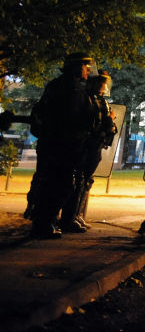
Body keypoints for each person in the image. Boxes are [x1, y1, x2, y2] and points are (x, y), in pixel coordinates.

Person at [28, 52, 96, 238]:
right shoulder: (70, 89)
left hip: (56, 144)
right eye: (85, 66)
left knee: (55, 183)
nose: (88, 70)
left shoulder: (59, 86)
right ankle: (44, 224)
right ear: (76, 67)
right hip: (63, 146)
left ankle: (45, 222)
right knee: (60, 184)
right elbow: (72, 119)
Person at [60, 71, 118, 232]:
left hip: (95, 145)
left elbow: (106, 123)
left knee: (85, 182)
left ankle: (77, 215)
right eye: (100, 83)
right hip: (85, 145)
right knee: (79, 180)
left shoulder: (99, 101)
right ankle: (69, 218)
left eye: (104, 83)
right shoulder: (86, 99)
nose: (103, 86)